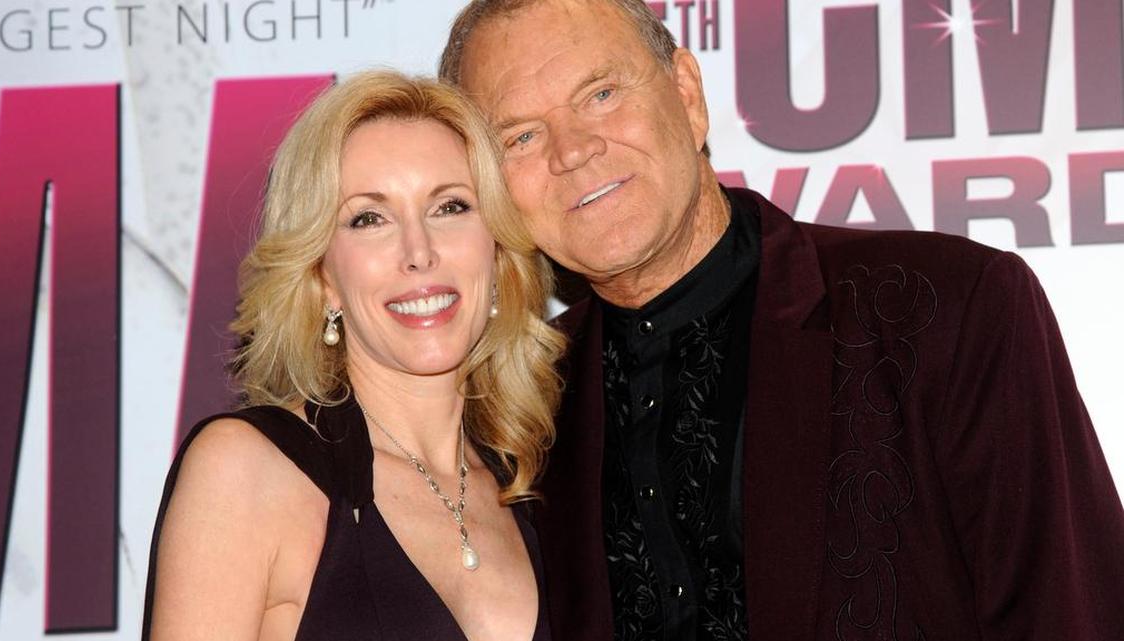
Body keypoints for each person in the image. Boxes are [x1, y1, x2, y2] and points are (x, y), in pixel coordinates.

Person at [439, 1, 1124, 640]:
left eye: (601, 94)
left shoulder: (948, 307)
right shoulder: (504, 411)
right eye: (522, 135)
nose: (572, 149)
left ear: (686, 94)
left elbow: (1068, 613)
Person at [141, 71, 564, 641]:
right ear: (323, 278)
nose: (419, 253)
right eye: (370, 218)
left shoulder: (539, 485)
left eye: (451, 207)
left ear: (496, 251)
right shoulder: (249, 471)